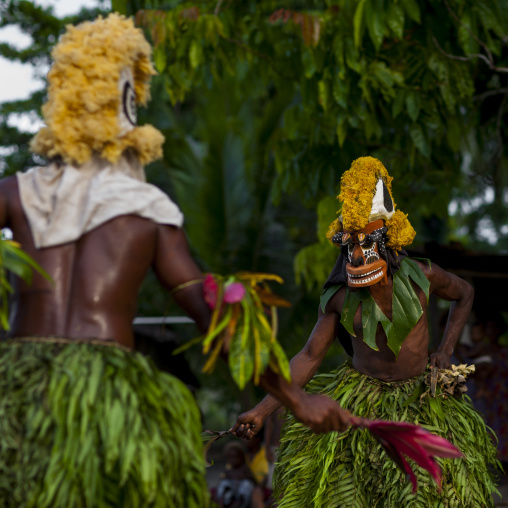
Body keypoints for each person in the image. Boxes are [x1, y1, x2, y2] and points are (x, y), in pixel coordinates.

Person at [0, 14, 349, 507]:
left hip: (15, 393)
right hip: (107, 402)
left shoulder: (14, 193)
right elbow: (218, 322)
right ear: (126, 109)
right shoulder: (149, 216)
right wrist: (297, 400)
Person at [233, 157, 499, 507]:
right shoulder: (339, 299)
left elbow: (465, 292)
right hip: (359, 400)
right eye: (348, 249)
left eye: (365, 245)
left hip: (421, 398)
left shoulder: (423, 277)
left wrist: (446, 349)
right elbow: (309, 356)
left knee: (434, 493)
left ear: (387, 244)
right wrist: (261, 411)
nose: (355, 258)